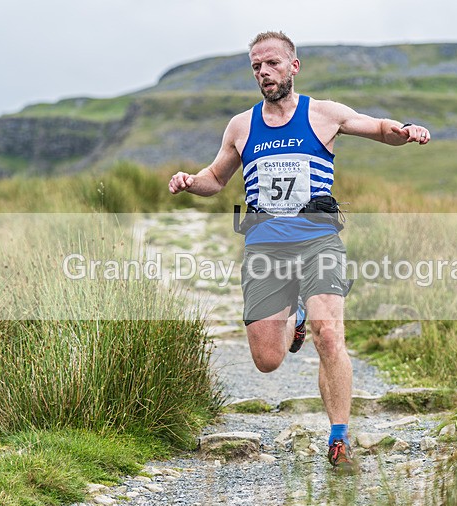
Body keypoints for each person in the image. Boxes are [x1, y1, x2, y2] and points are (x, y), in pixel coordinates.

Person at [169, 31, 430, 470]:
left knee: (331, 337)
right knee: (268, 360)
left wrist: (404, 131)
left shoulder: (324, 114)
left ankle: (339, 440)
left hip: (318, 239)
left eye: (271, 64)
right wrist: (190, 182)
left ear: (293, 66)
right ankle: (296, 317)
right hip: (264, 248)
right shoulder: (241, 125)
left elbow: (377, 127)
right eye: (256, 67)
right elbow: (216, 178)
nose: (263, 73)